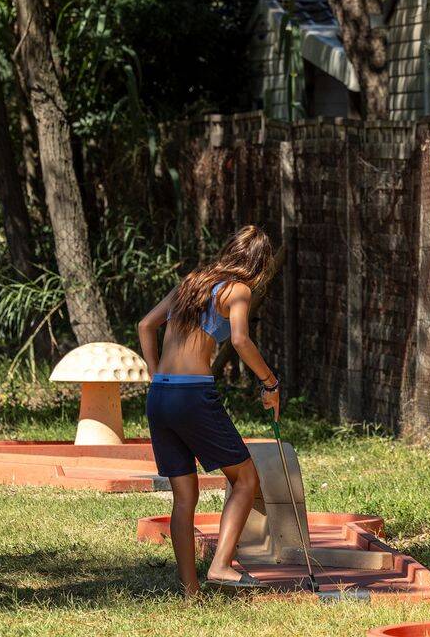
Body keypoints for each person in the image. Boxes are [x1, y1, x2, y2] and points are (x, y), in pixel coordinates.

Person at [136, 225, 280, 597]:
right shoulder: (239, 289)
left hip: (159, 398)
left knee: (184, 497)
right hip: (192, 396)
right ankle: (221, 565)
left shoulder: (193, 282)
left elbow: (146, 325)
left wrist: (156, 374)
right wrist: (269, 382)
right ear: (259, 266)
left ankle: (190, 593)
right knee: (246, 479)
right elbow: (240, 339)